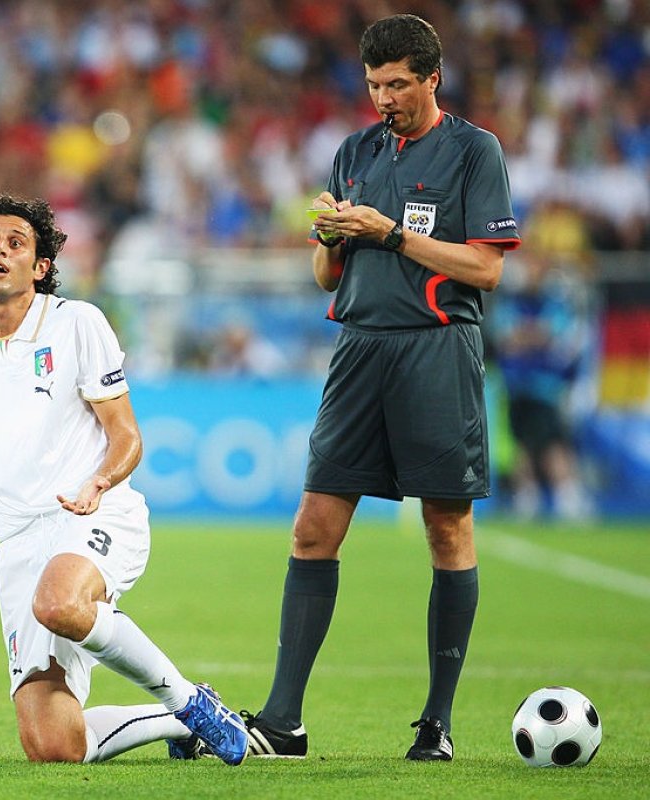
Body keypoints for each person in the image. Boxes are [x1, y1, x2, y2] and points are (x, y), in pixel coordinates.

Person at [0, 194, 249, 765]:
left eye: (16, 243)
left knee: (59, 602)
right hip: (18, 543)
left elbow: (127, 436)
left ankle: (189, 701)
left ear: (40, 267)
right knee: (53, 747)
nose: (0, 250)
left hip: (92, 516)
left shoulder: (77, 324)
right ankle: (176, 723)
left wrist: (99, 483)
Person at [240, 14, 520, 762]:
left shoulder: (473, 150)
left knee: (446, 528)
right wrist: (335, 238)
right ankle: (282, 721)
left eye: (397, 83)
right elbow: (325, 275)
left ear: (432, 78)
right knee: (312, 527)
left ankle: (437, 723)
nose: (383, 97)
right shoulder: (354, 151)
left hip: (436, 350)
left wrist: (391, 232)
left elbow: (487, 270)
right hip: (358, 351)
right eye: (373, 84)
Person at [490, 255, 592, 521]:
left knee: (552, 443)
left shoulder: (553, 303)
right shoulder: (510, 304)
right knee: (521, 443)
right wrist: (533, 336)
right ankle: (527, 497)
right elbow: (506, 339)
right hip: (515, 384)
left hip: (544, 386)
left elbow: (552, 335)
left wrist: (526, 336)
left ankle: (566, 496)